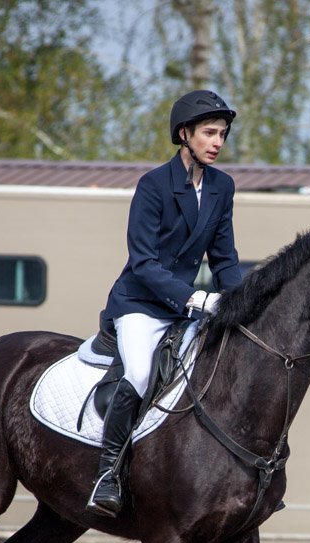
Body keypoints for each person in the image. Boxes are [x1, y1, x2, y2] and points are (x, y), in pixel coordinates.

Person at [87, 89, 244, 517]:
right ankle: (108, 474)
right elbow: (143, 262)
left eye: (223, 134)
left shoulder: (221, 187)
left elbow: (226, 260)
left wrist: (245, 301)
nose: (217, 142)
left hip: (182, 309)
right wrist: (195, 297)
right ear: (184, 134)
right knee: (139, 373)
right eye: (209, 133)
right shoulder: (154, 186)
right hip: (139, 303)